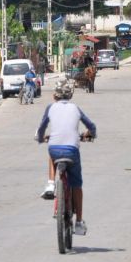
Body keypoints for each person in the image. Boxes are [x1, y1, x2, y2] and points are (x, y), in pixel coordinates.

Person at [36, 79, 97, 235]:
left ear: (54, 96)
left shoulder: (50, 108)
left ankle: (50, 184)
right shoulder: (75, 108)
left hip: (55, 148)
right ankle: (78, 222)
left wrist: (41, 138)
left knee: (51, 154)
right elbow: (91, 126)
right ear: (70, 95)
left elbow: (42, 128)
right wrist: (90, 135)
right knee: (76, 184)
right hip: (72, 150)